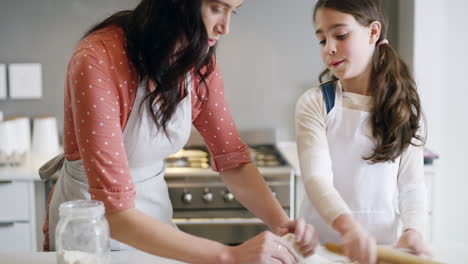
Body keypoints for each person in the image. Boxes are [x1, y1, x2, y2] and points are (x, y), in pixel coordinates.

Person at [40, 0, 319, 263]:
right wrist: (230, 256)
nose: (225, 27)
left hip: (156, 225)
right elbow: (114, 214)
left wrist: (283, 225)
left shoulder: (199, 63)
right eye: (216, 8)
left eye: (232, 11)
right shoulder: (97, 58)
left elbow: (233, 160)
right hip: (92, 230)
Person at [295, 0, 430, 263]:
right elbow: (317, 180)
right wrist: (350, 229)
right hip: (322, 250)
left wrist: (414, 230)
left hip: (383, 249)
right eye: (322, 40)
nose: (329, 48)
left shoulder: (403, 106)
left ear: (373, 32)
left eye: (341, 35)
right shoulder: (316, 103)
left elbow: (412, 186)